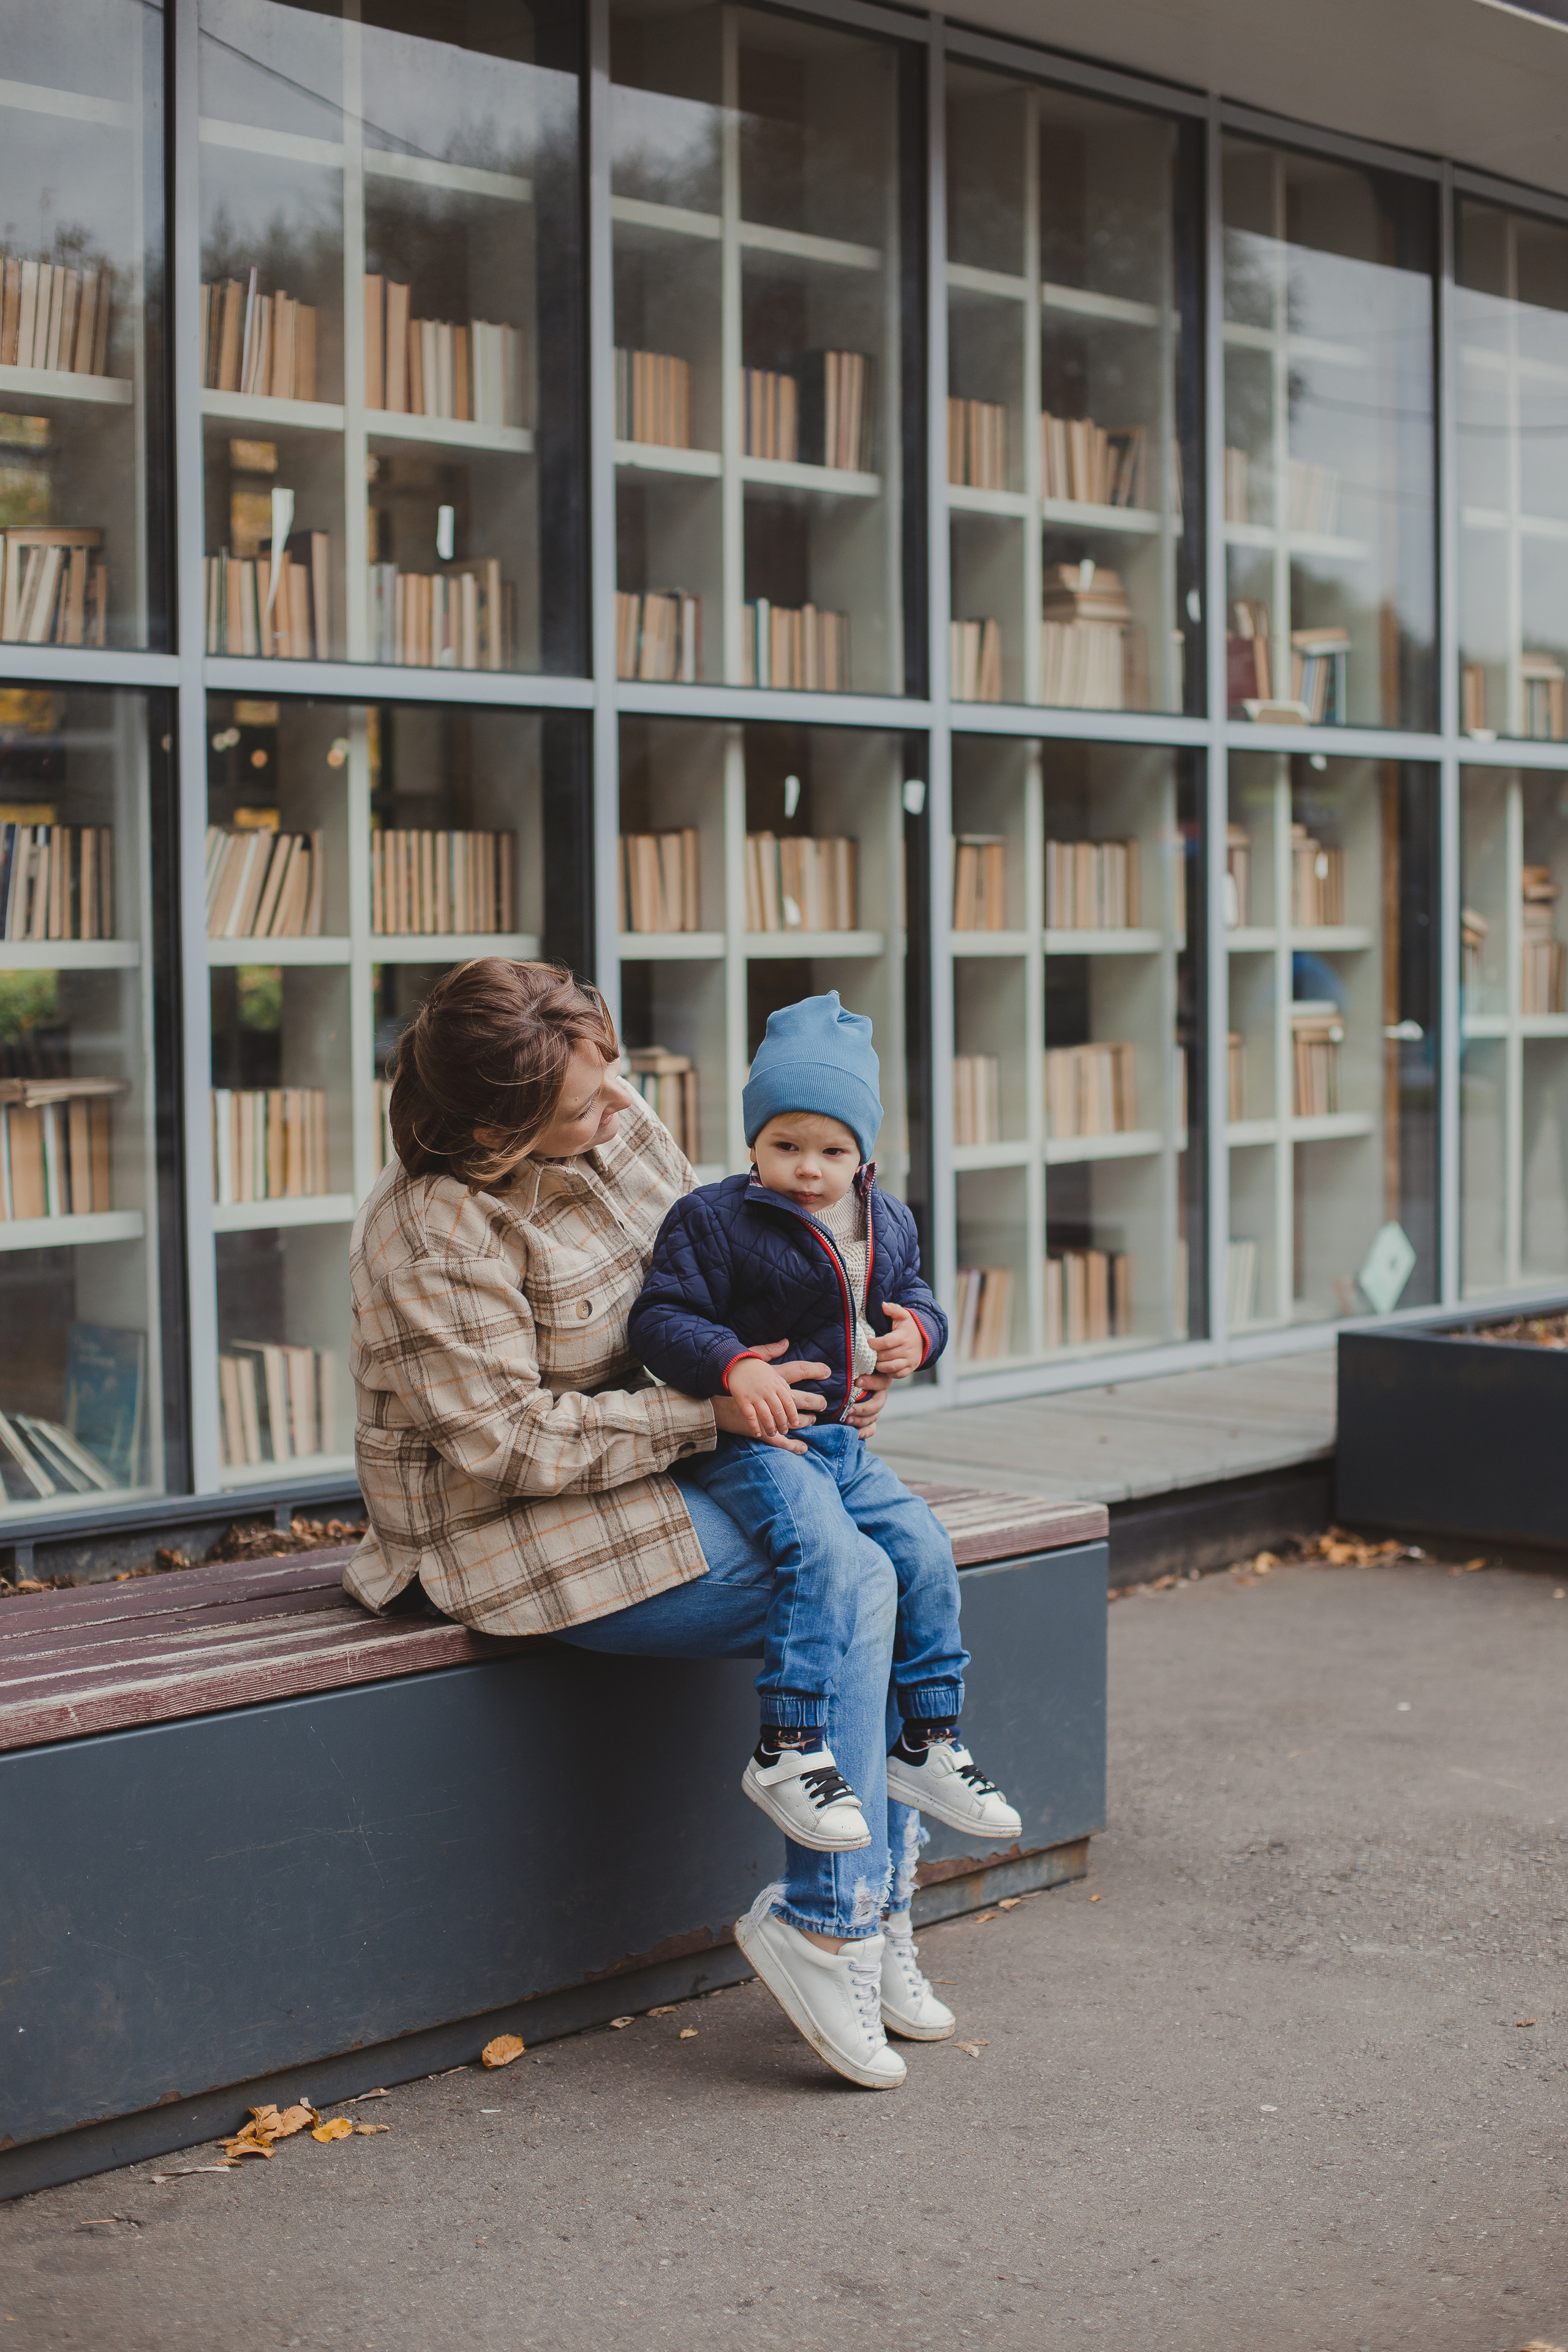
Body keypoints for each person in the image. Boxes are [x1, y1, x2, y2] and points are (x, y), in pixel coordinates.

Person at [344, 957, 956, 2093]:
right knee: (860, 1578)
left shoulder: (614, 1129)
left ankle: (873, 1913)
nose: (623, 1106)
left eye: (612, 1072)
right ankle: (833, 1929)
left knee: (896, 1557)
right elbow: (509, 1444)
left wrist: (850, 1356)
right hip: (505, 1524)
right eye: (586, 1102)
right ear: (493, 1125)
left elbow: (729, 1280)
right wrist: (709, 1406)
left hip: (683, 1451)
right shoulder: (432, 1229)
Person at [627, 993, 1021, 2037]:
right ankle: (791, 1746)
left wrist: (915, 1344)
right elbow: (660, 1317)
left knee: (925, 1549)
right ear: (752, 1141)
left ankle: (926, 1736)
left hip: (844, 1442)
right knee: (819, 1552)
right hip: (754, 1445)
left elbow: (919, 1299)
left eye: (831, 1147)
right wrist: (730, 1366)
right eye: (784, 1142)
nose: (807, 1165)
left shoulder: (886, 1221)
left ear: (865, 1154)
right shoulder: (713, 1220)